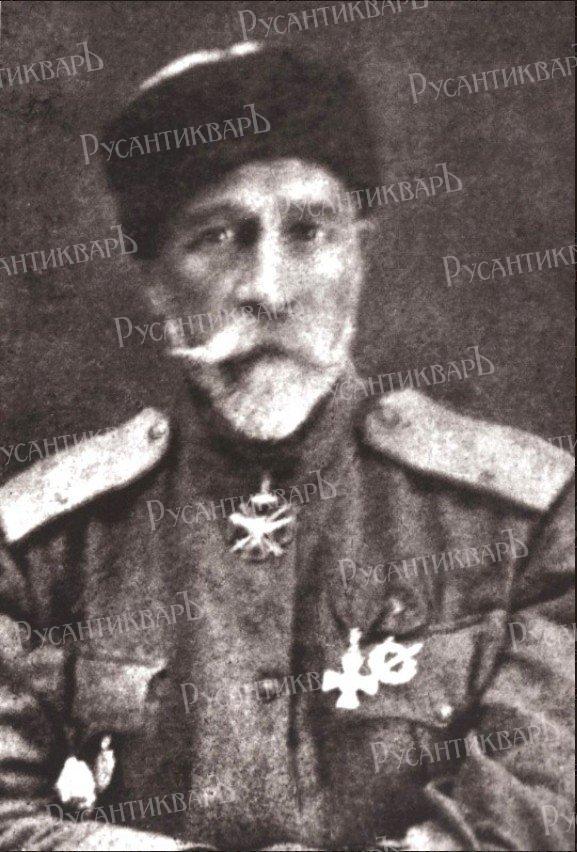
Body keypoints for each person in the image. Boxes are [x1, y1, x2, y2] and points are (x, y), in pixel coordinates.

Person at [0, 42, 574, 852]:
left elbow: (543, 810)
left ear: (360, 256)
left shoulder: (526, 521)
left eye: (308, 231)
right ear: (154, 280)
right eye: (217, 236)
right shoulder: (41, 546)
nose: (268, 290)